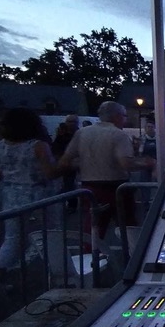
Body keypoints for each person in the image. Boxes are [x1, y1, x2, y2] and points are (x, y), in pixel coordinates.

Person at [59, 101, 154, 242]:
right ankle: (134, 253)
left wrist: (85, 163)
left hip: (89, 187)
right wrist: (148, 163)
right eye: (124, 116)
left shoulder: (82, 133)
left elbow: (65, 161)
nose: (125, 120)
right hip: (116, 188)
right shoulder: (118, 134)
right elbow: (126, 163)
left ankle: (90, 253)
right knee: (128, 229)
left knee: (93, 229)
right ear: (117, 116)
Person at [0, 108, 60, 271]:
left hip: (12, 195)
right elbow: (50, 173)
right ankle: (59, 270)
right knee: (52, 233)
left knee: (12, 239)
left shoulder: (1, 146)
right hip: (40, 195)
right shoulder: (38, 146)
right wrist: (67, 165)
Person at [51, 114, 80, 212]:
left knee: (73, 184)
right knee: (68, 184)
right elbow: (56, 147)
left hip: (78, 161)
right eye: (69, 122)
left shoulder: (80, 133)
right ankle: (71, 204)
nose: (71, 124)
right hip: (66, 162)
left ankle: (73, 204)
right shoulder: (62, 134)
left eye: (73, 122)